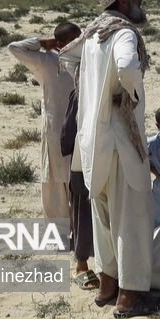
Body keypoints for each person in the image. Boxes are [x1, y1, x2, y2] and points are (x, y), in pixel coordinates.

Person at [58, 0, 158, 318]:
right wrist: (126, 95)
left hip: (91, 141)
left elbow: (66, 60)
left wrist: (97, 94)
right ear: (124, 0)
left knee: (103, 217)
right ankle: (129, 296)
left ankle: (106, 286)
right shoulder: (122, 33)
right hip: (119, 141)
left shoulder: (91, 35)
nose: (138, 1)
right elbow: (128, 67)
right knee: (130, 216)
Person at [7, 22, 81, 220]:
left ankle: (81, 226)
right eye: (73, 39)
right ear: (59, 42)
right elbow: (14, 48)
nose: (78, 43)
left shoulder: (85, 60)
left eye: (79, 38)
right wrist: (42, 43)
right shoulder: (48, 61)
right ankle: (60, 227)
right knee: (56, 178)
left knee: (78, 176)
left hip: (82, 127)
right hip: (56, 127)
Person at [61, 83, 96, 290]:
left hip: (111, 153)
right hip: (83, 157)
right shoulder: (80, 93)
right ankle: (81, 263)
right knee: (82, 209)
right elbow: (69, 130)